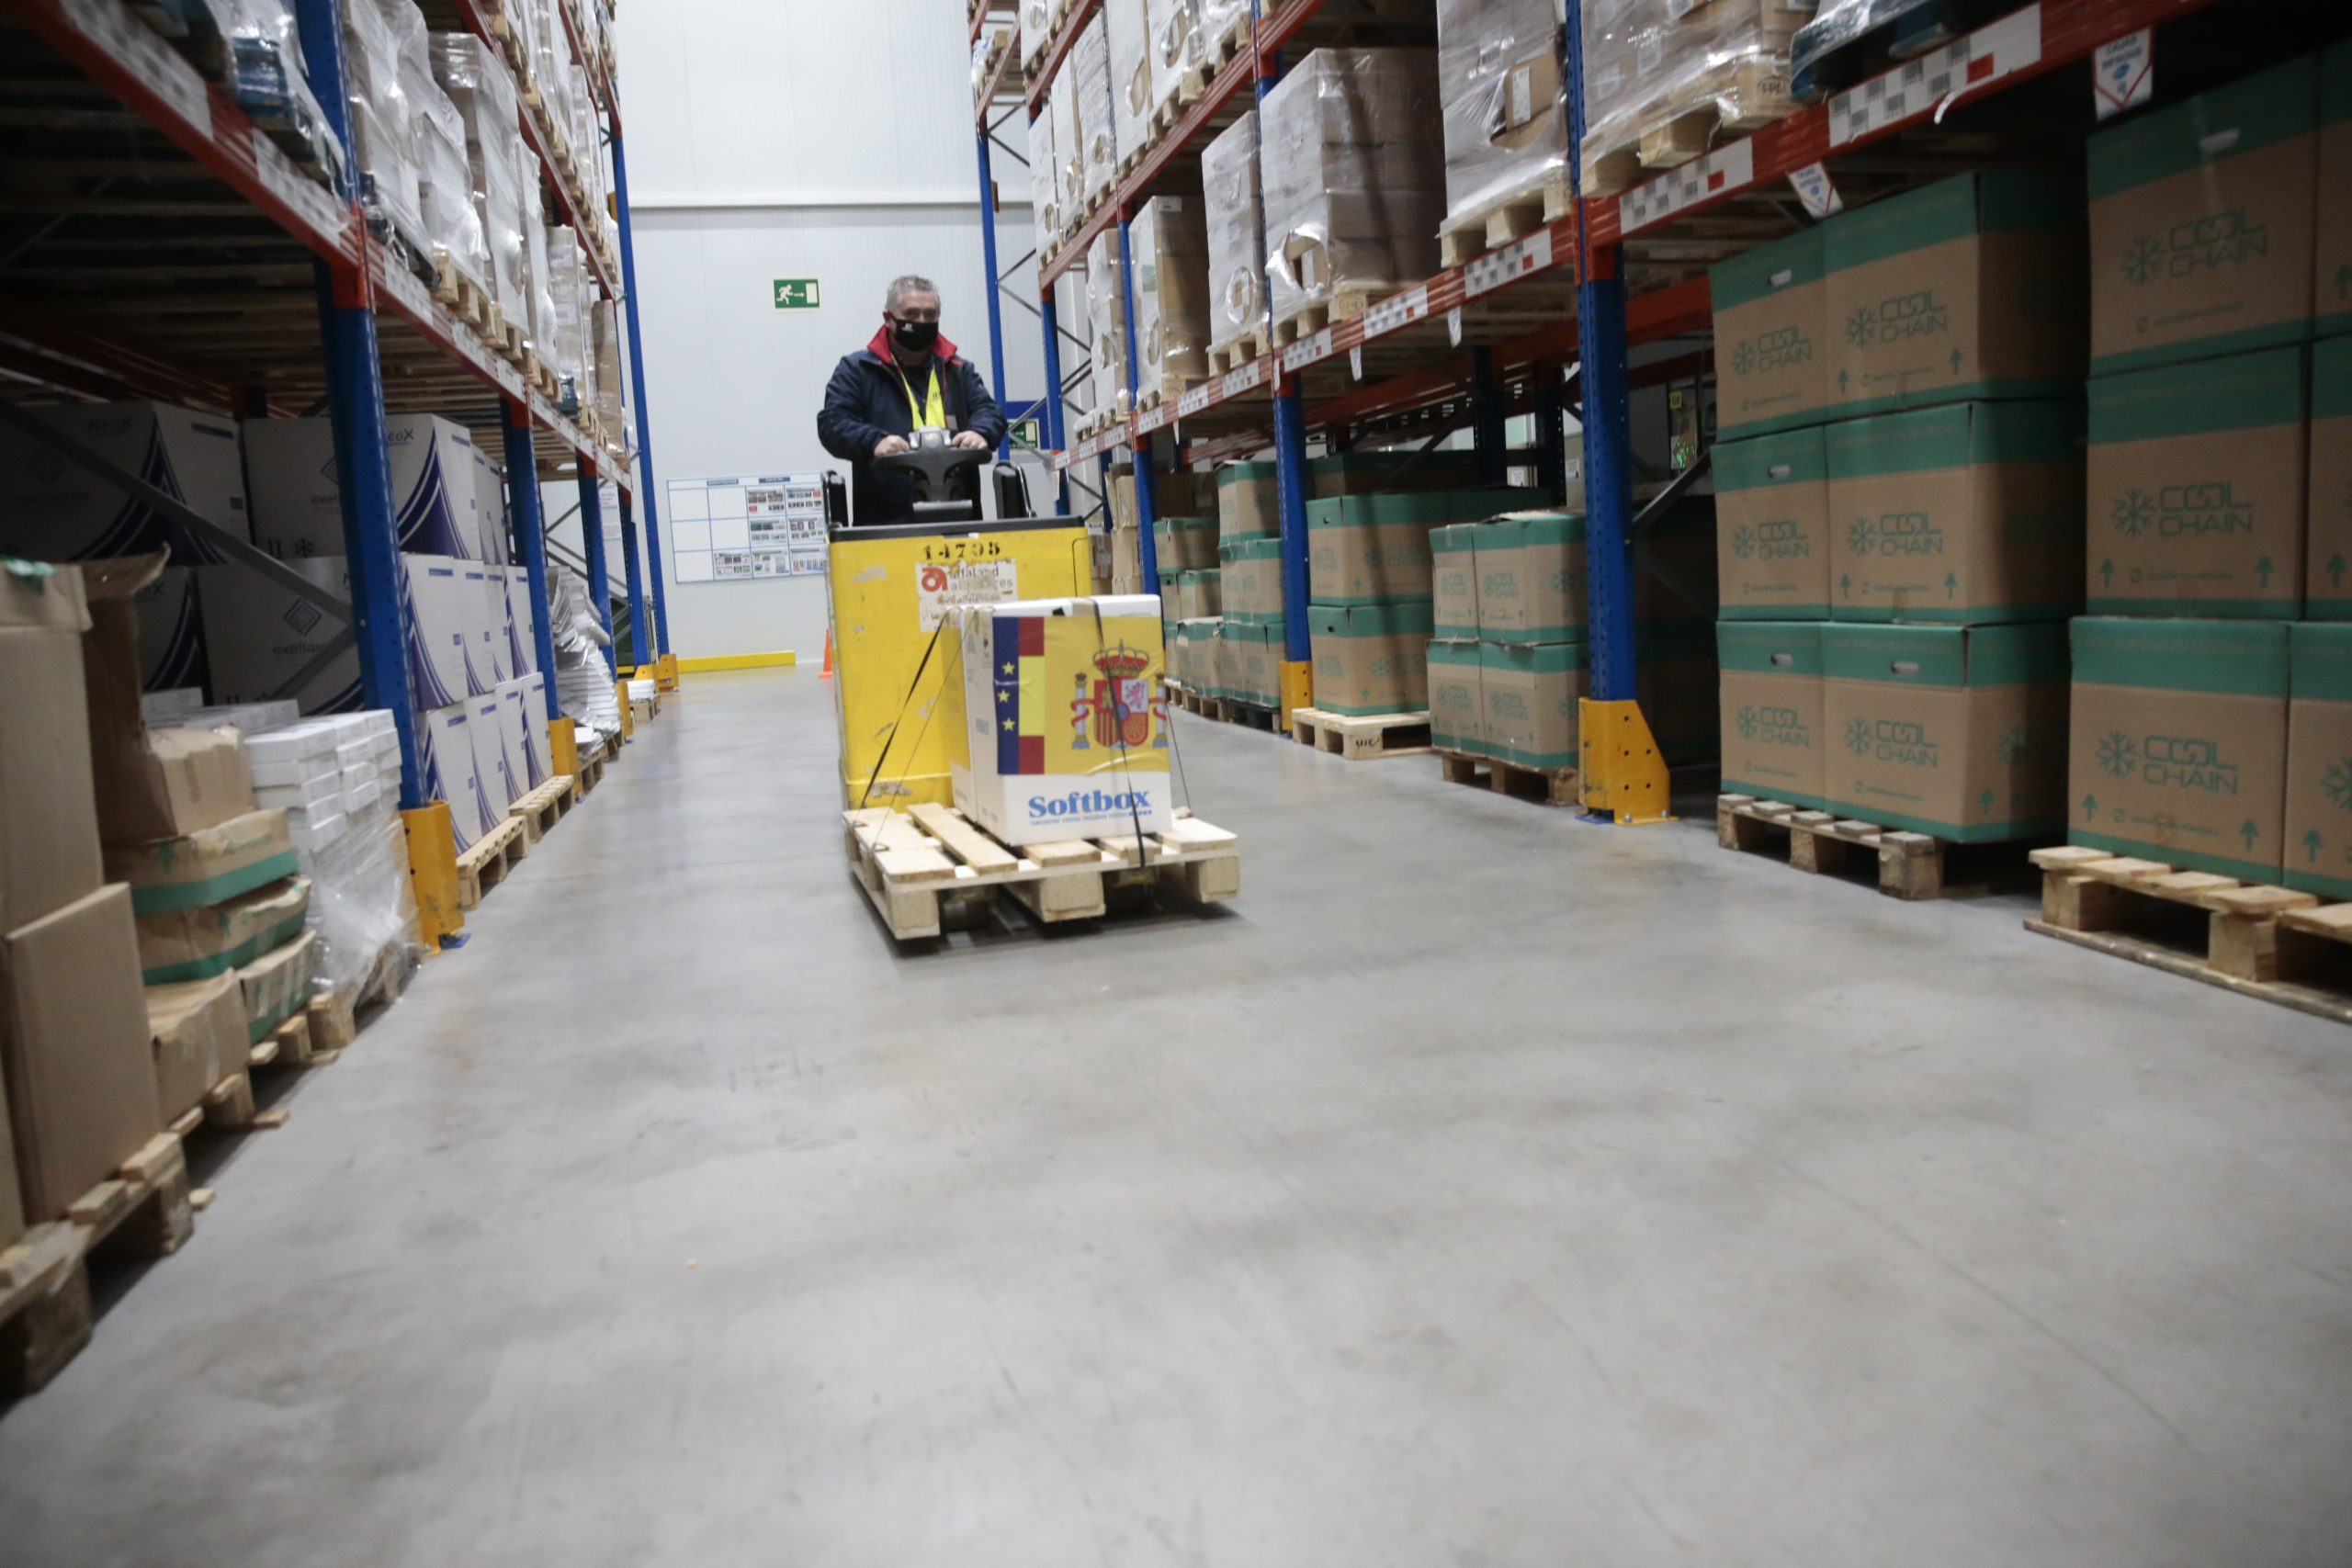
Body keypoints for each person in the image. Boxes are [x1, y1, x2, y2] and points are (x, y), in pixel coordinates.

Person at [817, 275, 1007, 525]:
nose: (922, 321)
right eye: (912, 314)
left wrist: (980, 432)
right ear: (888, 318)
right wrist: (874, 441)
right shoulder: (858, 370)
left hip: (958, 523)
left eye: (930, 314)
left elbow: (990, 412)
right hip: (886, 527)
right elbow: (832, 423)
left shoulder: (958, 370)